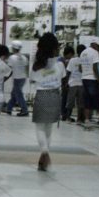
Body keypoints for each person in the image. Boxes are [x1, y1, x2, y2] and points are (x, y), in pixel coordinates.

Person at [30, 33, 64, 171]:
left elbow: (33, 80)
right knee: (49, 128)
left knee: (39, 127)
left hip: (41, 95)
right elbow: (63, 79)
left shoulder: (36, 64)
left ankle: (44, 152)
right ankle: (44, 156)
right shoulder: (60, 64)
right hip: (55, 96)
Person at [80, 37, 99, 128]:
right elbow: (95, 68)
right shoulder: (95, 53)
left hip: (84, 78)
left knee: (87, 100)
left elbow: (80, 68)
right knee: (98, 100)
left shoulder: (83, 52)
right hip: (92, 79)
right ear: (94, 44)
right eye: (98, 46)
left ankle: (87, 120)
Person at [6, 41, 29, 116]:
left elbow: (8, 69)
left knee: (18, 95)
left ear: (13, 48)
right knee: (14, 94)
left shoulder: (12, 58)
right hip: (23, 78)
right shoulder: (24, 57)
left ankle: (25, 110)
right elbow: (26, 68)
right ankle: (8, 108)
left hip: (17, 78)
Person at [62, 46, 82, 124]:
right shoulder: (83, 60)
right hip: (80, 83)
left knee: (70, 101)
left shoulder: (72, 60)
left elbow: (68, 72)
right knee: (80, 102)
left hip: (73, 83)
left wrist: (66, 82)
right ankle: (79, 119)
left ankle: (68, 117)